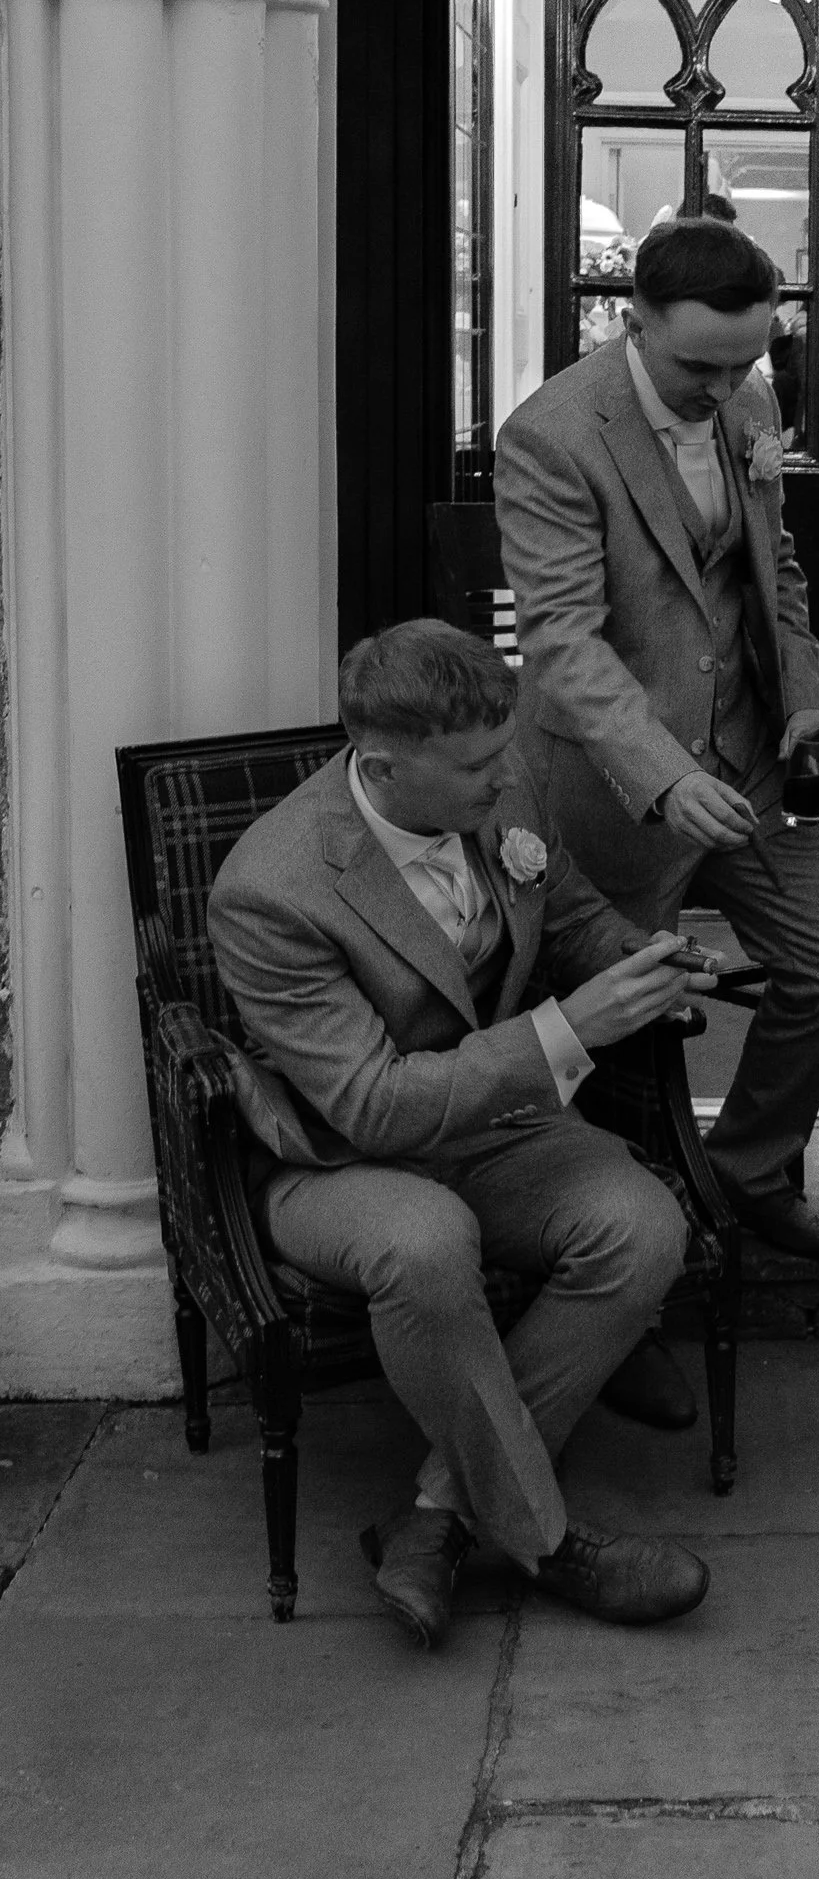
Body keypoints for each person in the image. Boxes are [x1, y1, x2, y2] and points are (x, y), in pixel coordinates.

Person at [207, 621, 717, 1649]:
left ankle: (439, 1512)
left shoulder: (504, 786)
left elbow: (565, 915)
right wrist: (574, 1026)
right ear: (383, 766)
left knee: (640, 1224)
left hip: (496, 1127)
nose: (505, 779)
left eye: (503, 751)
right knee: (426, 1243)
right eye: (477, 765)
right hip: (338, 1159)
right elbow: (371, 1104)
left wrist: (643, 959)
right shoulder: (270, 888)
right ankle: (550, 1538)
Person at [494, 215, 819, 1264]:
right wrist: (660, 778)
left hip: (754, 756)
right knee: (617, 1020)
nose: (724, 388)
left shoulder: (746, 397)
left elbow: (776, 569)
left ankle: (746, 1169)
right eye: (699, 364)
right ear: (635, 321)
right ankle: (626, 1244)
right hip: (613, 784)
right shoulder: (552, 435)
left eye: (744, 361)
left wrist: (807, 694)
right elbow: (562, 642)